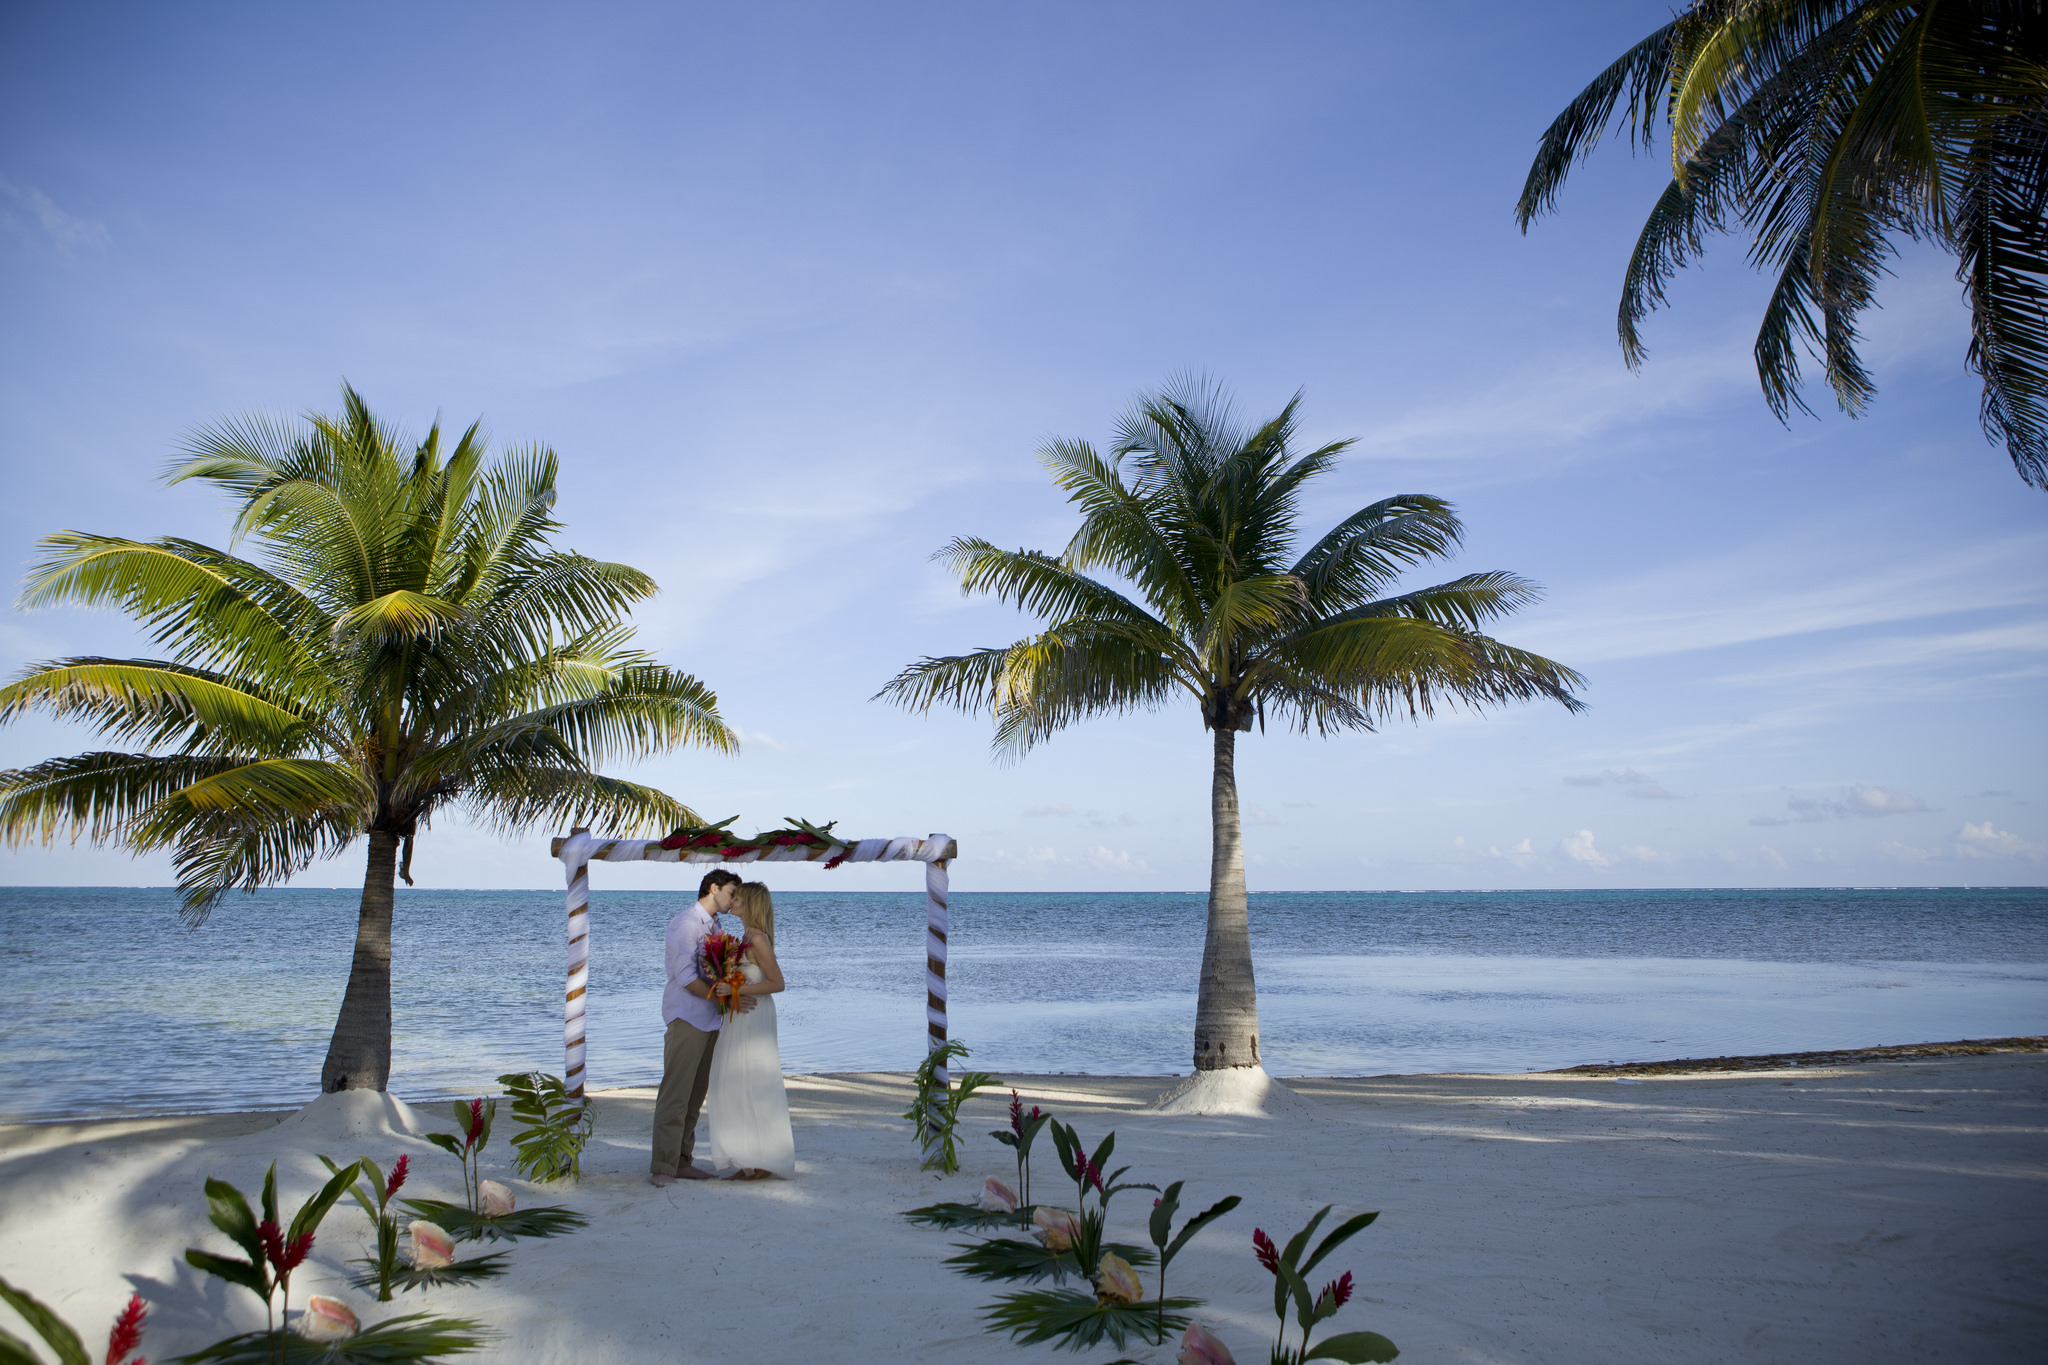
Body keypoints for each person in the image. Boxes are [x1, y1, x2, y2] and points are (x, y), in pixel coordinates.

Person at [650, 867, 753, 1186]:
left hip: (711, 1018)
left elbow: (720, 968)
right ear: (713, 888)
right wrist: (722, 996)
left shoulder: (716, 925)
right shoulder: (686, 924)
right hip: (688, 1017)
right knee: (675, 1095)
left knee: (695, 1096)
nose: (734, 900)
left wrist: (729, 991)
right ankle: (662, 1167)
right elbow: (686, 977)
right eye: (731, 893)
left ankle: (682, 1161)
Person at [706, 880, 795, 1179]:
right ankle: (747, 1159)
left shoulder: (757, 939)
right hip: (739, 1016)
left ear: (751, 904)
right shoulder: (744, 937)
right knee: (736, 1083)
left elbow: (777, 983)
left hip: (754, 1017)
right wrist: (729, 990)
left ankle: (762, 1162)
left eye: (738, 899)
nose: (732, 902)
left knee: (755, 1083)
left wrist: (734, 990)